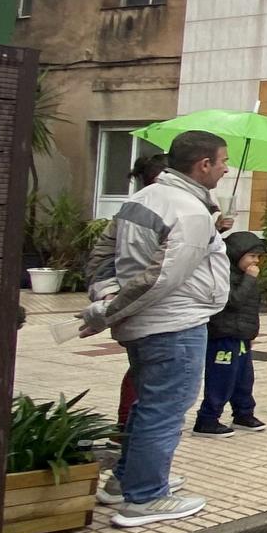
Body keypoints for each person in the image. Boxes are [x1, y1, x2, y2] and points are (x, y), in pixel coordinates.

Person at [78, 130, 232, 527]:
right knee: (163, 410)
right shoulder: (190, 212)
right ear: (203, 165)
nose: (226, 168)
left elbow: (101, 256)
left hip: (147, 325)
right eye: (222, 161)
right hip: (174, 325)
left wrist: (105, 298)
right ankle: (145, 498)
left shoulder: (142, 198)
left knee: (147, 405)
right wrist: (107, 311)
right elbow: (161, 277)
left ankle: (125, 481)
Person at [87, 151, 169, 437]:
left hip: (146, 312)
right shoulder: (137, 214)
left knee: (143, 374)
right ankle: (128, 439)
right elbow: (106, 259)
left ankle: (128, 440)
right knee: (151, 385)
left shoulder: (178, 213)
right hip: (154, 316)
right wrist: (111, 300)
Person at [193, 231, 267, 436]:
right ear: (237, 254)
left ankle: (243, 413)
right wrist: (250, 280)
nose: (256, 261)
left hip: (241, 335)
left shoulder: (244, 276)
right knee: (221, 378)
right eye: (251, 256)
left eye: (258, 257)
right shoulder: (224, 274)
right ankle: (207, 419)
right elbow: (232, 301)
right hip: (223, 335)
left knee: (244, 377)